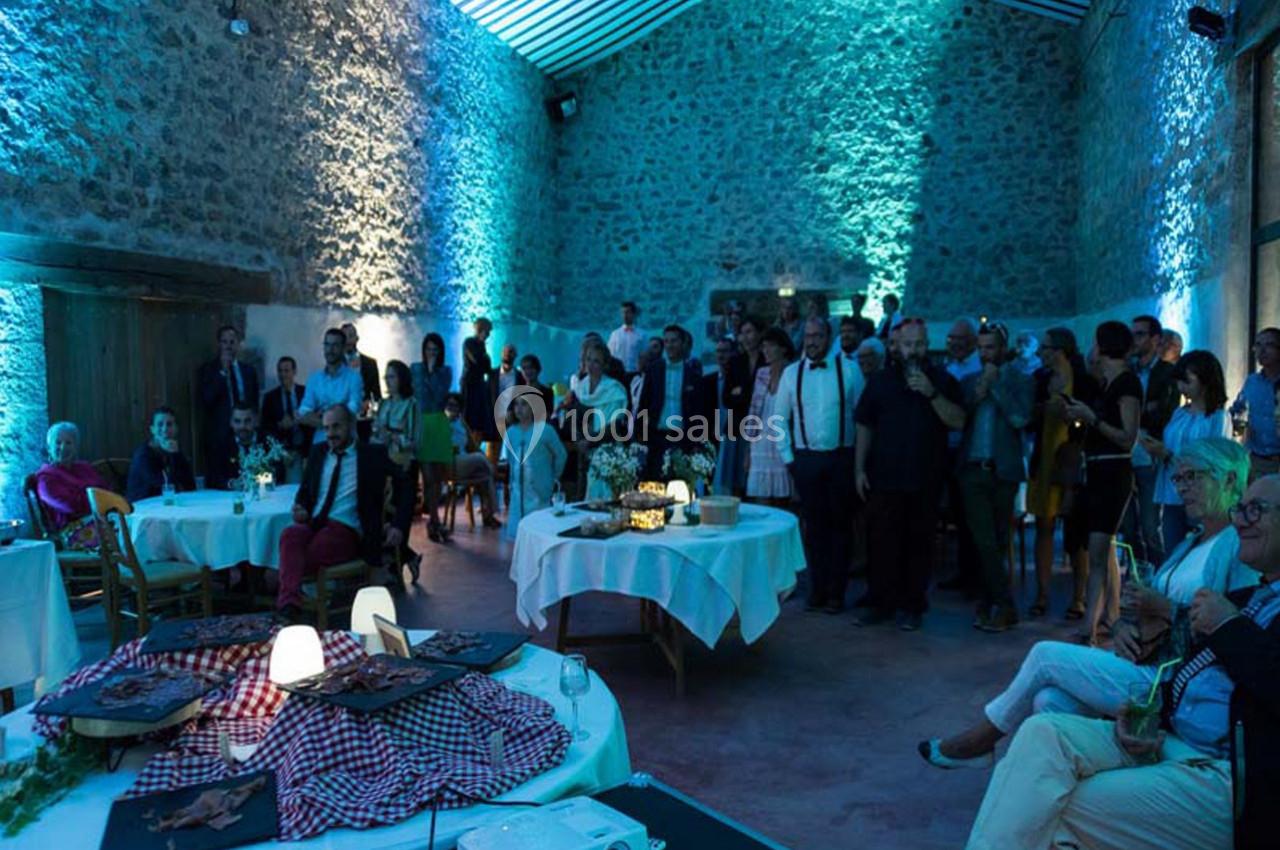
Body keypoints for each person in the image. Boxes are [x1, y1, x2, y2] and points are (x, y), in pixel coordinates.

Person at [957, 474, 1280, 850]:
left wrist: (1226, 625)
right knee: (1043, 732)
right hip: (1174, 741)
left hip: (1230, 777)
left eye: (1256, 510)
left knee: (1054, 802)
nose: (1241, 519)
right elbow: (1199, 674)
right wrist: (1153, 719)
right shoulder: (1247, 595)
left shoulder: (1234, 607)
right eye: (1240, 508)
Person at [922, 444, 1256, 768]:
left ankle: (981, 741)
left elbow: (1232, 633)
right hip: (1144, 662)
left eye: (1192, 477)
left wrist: (1164, 609)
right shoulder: (1191, 541)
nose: (1182, 487)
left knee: (1044, 655)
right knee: (1048, 700)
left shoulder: (1238, 547)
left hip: (1169, 680)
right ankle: (1053, 780)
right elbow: (1148, 613)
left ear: (1229, 480)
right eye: (1178, 479)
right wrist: (1126, 627)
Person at [855, 318, 965, 630]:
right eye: (908, 344)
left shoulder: (942, 379)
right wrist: (859, 468)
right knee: (881, 541)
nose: (913, 350)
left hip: (925, 476)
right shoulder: (880, 381)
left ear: (926, 345)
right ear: (896, 346)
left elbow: (958, 420)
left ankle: (913, 605)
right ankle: (880, 603)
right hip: (884, 476)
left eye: (918, 344)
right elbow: (864, 425)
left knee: (919, 543)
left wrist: (932, 394)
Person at [277, 405, 412, 618]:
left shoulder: (372, 454)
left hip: (347, 528)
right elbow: (304, 492)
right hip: (314, 523)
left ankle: (285, 588)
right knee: (289, 535)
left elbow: (406, 485)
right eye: (326, 428)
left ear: (351, 426)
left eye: (336, 426)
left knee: (301, 555)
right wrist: (301, 507)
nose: (330, 433)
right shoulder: (318, 452)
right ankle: (290, 605)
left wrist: (398, 525)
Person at [775, 318, 865, 613]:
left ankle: (836, 593)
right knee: (814, 529)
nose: (812, 341)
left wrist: (859, 462)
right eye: (808, 336)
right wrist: (789, 458)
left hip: (842, 457)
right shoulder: (791, 374)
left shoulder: (850, 370)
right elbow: (778, 421)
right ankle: (817, 589)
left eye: (818, 336)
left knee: (841, 527)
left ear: (829, 338)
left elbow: (862, 418)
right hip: (806, 460)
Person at [1064, 321, 1142, 645]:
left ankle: (1089, 629)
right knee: (1103, 548)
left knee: (1097, 550)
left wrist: (1092, 418)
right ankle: (1108, 617)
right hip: (1097, 471)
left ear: (1102, 346)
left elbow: (1127, 438)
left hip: (1112, 473)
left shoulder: (1127, 384)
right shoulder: (1108, 383)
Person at [956, 322, 1034, 632]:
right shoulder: (971, 380)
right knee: (983, 540)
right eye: (981, 348)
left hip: (1003, 471)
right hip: (973, 469)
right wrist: (980, 390)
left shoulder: (1020, 380)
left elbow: (1020, 418)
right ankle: (1004, 605)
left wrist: (997, 385)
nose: (985, 354)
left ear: (1003, 349)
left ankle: (990, 603)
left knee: (999, 541)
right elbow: (961, 417)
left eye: (990, 348)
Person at [1025, 328, 1095, 619]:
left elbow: (1092, 416)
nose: (1040, 352)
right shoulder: (1040, 380)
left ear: (1060, 350)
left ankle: (1078, 597)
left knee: (1077, 533)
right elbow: (1029, 417)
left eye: (1045, 347)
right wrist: (1041, 409)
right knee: (1044, 526)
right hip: (1045, 458)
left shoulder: (1085, 380)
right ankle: (1042, 594)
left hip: (1072, 459)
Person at [1142, 350, 1230, 549]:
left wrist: (1168, 455)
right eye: (1179, 381)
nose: (1181, 387)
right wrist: (1159, 452)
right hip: (1173, 493)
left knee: (1199, 549)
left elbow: (1214, 460)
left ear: (1205, 381)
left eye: (1187, 381)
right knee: (1172, 550)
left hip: (1201, 495)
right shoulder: (1179, 413)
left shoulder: (1217, 418)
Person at [1124, 314, 1181, 568]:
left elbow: (1164, 415)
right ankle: (1138, 577)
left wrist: (1141, 413)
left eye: (1140, 334)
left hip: (1149, 452)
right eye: (1132, 333)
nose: (1134, 339)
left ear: (1155, 339)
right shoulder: (1127, 370)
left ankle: (1159, 578)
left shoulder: (1168, 372)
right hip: (1125, 451)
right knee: (1127, 526)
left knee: (1150, 526)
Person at [942, 316, 985, 596]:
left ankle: (977, 576)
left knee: (974, 517)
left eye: (961, 340)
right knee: (958, 512)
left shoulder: (980, 369)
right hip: (948, 450)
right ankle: (963, 571)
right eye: (952, 340)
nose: (955, 344)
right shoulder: (946, 369)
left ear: (972, 342)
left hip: (972, 450)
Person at [372, 359, 420, 580]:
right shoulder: (383, 404)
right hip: (383, 465)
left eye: (391, 377)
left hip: (403, 465)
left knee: (400, 516)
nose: (388, 381)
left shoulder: (411, 405)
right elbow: (375, 432)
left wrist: (391, 435)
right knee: (383, 516)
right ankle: (406, 557)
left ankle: (397, 566)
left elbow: (413, 440)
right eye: (386, 377)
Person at [637, 324, 706, 479]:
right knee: (655, 482)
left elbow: (698, 409)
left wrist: (697, 441)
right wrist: (640, 433)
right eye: (666, 341)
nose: (669, 345)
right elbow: (644, 403)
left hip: (683, 437)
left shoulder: (693, 374)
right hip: (657, 435)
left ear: (682, 343)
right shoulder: (653, 370)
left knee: (680, 483)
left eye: (674, 341)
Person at [197, 325, 260, 477]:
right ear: (219, 344)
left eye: (232, 342)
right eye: (225, 342)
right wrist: (223, 372)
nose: (228, 346)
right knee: (223, 478)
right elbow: (207, 400)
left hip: (246, 433)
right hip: (220, 435)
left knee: (251, 474)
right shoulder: (208, 369)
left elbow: (254, 402)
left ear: (238, 344)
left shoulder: (249, 371)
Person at [34, 422, 108, 550]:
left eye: (69, 443)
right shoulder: (46, 478)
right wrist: (94, 497)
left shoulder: (84, 467)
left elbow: (106, 492)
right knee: (123, 532)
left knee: (131, 524)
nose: (63, 448)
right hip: (70, 533)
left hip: (97, 520)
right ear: (49, 447)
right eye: (58, 443)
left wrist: (90, 497)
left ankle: (130, 568)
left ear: (75, 447)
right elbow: (70, 506)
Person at [503, 394, 568, 540]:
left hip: (539, 488)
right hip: (518, 489)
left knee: (540, 528)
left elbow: (561, 454)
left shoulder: (545, 430)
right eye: (516, 405)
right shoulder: (511, 432)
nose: (519, 409)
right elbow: (510, 460)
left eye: (524, 404)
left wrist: (554, 476)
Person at [572, 342, 630, 501]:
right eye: (588, 360)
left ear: (604, 365)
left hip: (608, 451)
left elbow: (614, 425)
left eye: (596, 361)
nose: (591, 365)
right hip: (584, 452)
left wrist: (589, 441)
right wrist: (578, 440)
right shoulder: (580, 388)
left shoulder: (614, 389)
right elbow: (574, 417)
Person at [745, 327, 796, 503]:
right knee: (762, 502)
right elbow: (753, 411)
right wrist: (748, 449)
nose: (765, 350)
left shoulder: (793, 373)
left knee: (785, 500)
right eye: (763, 346)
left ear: (783, 348)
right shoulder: (761, 373)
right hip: (760, 444)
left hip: (783, 443)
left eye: (770, 346)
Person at [412, 333, 454, 544]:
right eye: (429, 349)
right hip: (422, 424)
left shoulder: (445, 371)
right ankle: (433, 520)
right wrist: (426, 371)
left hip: (438, 422)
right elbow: (417, 396)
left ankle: (435, 520)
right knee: (427, 476)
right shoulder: (415, 369)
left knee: (438, 477)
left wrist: (432, 372)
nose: (431, 354)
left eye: (435, 351)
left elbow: (439, 396)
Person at [703, 336, 751, 496]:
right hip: (714, 438)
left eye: (725, 351)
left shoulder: (744, 381)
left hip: (737, 436)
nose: (721, 355)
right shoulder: (707, 381)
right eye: (718, 351)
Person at [1230, 327, 1280, 482]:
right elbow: (1239, 410)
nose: (1262, 350)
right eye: (1258, 345)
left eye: (1269, 345)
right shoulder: (1252, 381)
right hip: (1256, 460)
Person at [297, 328, 364, 444]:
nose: (330, 350)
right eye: (327, 345)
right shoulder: (314, 379)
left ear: (343, 348)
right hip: (320, 443)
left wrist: (319, 416)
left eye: (335, 345)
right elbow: (303, 413)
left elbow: (350, 413)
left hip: (347, 444)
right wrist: (336, 418)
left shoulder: (354, 378)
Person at [444, 393, 500, 528]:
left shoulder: (461, 422)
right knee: (482, 461)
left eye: (455, 406)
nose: (452, 408)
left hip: (465, 462)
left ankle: (489, 515)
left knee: (486, 476)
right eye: (449, 405)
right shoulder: (442, 423)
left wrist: (483, 457)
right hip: (450, 463)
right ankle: (491, 469)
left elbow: (472, 446)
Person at [126, 406, 197, 502]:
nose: (164, 429)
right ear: (152, 429)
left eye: (169, 424)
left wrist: (176, 455)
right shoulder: (143, 455)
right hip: (142, 508)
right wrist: (173, 456)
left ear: (176, 428)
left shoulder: (175, 450)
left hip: (165, 504)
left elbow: (190, 485)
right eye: (160, 424)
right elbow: (167, 486)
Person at [260, 356, 311, 483]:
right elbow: (265, 427)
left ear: (294, 372)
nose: (283, 374)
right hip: (280, 452)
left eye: (286, 370)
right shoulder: (270, 398)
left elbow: (313, 423)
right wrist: (280, 425)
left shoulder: (306, 393)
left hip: (302, 450)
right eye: (280, 371)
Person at [207, 403, 268, 490]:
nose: (242, 426)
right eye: (237, 421)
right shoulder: (221, 444)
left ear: (256, 421)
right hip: (232, 498)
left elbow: (279, 471)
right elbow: (212, 477)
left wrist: (259, 480)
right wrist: (231, 483)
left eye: (247, 421)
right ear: (231, 423)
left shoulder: (267, 441)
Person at [461, 317, 497, 449]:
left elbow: (486, 367)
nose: (488, 335)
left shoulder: (481, 346)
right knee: (469, 416)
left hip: (479, 384)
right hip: (470, 384)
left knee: (480, 418)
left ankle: (475, 446)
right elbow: (478, 360)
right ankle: (467, 446)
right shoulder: (469, 342)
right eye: (487, 331)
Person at [340, 321, 382, 412]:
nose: (348, 341)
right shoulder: (335, 364)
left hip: (364, 417)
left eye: (350, 336)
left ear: (357, 338)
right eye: (345, 337)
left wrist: (369, 405)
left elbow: (377, 396)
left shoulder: (370, 364)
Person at [608, 301, 646, 373]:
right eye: (623, 312)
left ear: (634, 314)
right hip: (618, 373)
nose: (625, 315)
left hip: (635, 373)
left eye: (628, 312)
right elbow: (610, 354)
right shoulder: (615, 334)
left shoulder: (642, 335)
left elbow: (644, 355)